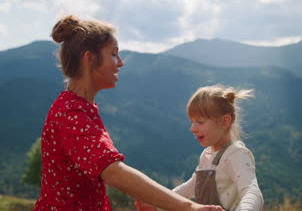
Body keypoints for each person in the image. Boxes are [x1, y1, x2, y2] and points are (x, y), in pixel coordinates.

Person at [33, 15, 224, 211]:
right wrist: (189, 207)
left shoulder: (78, 108)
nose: (120, 62)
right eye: (114, 54)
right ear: (89, 59)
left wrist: (151, 197)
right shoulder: (71, 112)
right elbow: (112, 171)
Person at [137, 85, 264, 211]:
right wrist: (159, 205)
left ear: (225, 121)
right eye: (192, 122)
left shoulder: (236, 154)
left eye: (200, 122)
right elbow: (191, 187)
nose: (192, 129)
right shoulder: (207, 155)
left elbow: (252, 192)